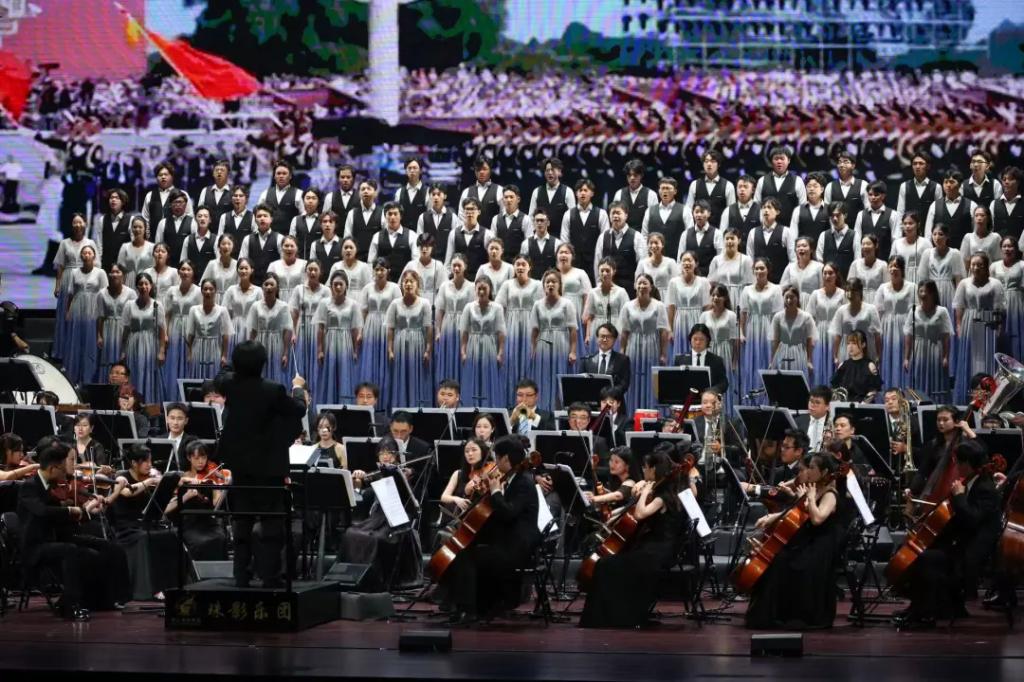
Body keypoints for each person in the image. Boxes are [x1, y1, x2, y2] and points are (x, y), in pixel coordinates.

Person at [215, 340, 307, 587]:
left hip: (240, 466)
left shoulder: (229, 384)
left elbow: (220, 375)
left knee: (242, 522)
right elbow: (298, 410)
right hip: (269, 467)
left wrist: (235, 366)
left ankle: (241, 575)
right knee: (271, 524)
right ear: (263, 363)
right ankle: (270, 576)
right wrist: (298, 388)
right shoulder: (273, 389)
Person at [18, 440, 131, 620]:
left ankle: (106, 599)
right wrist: (70, 510)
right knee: (72, 551)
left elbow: (61, 517)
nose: (65, 474)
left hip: (56, 537)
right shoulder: (30, 486)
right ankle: (71, 606)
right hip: (35, 546)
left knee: (107, 547)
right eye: (63, 469)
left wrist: (83, 512)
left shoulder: (50, 485)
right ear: (53, 468)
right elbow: (41, 511)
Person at [894, 440, 1001, 628]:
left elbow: (972, 520)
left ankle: (925, 613)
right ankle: (921, 607)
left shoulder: (985, 488)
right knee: (919, 551)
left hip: (971, 554)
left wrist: (959, 496)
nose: (956, 467)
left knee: (924, 558)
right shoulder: (972, 482)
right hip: (961, 544)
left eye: (958, 462)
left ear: (967, 463)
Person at [439, 435, 540, 624]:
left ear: (505, 459)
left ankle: (469, 609)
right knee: (464, 550)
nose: (495, 463)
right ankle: (460, 605)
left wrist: (495, 492)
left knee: (466, 556)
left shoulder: (523, 482)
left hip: (518, 544)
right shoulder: (511, 478)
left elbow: (509, 513)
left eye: (497, 458)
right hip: (506, 537)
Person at [580, 449, 684, 628]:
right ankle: (611, 615)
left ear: (654, 469)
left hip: (657, 553)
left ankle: (612, 617)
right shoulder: (660, 491)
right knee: (607, 564)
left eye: (646, 468)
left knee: (605, 566)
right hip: (650, 547)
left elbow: (640, 513)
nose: (643, 470)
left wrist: (645, 490)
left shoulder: (662, 497)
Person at [744, 453, 842, 630]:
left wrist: (809, 498)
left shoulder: (830, 493)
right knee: (778, 558)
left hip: (820, 546)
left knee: (785, 561)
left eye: (812, 468)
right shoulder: (812, 489)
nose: (808, 471)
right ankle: (771, 615)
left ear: (824, 472)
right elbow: (797, 514)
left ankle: (793, 614)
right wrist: (774, 516)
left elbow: (817, 519)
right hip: (807, 541)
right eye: (807, 467)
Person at [341, 437, 423, 590]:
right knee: (350, 533)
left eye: (389, 452)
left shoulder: (402, 473)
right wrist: (357, 478)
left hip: (395, 520)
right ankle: (353, 579)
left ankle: (374, 580)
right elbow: (360, 485)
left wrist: (401, 477)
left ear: (396, 455)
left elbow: (410, 500)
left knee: (375, 539)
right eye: (382, 453)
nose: (385, 456)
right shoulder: (377, 473)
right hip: (376, 519)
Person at [163, 440, 229, 561]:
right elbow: (166, 509)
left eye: (204, 457)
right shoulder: (181, 478)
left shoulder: (210, 479)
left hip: (209, 522)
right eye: (196, 458)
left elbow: (216, 504)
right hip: (189, 523)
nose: (201, 461)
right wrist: (186, 496)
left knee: (220, 538)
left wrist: (220, 485)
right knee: (200, 543)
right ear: (189, 458)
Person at [953, 254, 1005, 403]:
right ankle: (968, 399)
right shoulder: (964, 283)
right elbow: (959, 307)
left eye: (980, 265)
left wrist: (998, 329)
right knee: (970, 360)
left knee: (986, 361)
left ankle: (987, 399)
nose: (976, 268)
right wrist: (959, 326)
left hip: (988, 325)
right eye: (973, 265)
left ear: (986, 267)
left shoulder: (995, 284)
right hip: (969, 323)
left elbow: (1000, 309)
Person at [618, 274, 670, 413]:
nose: (642, 286)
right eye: (639, 283)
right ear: (635, 286)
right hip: (633, 346)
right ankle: (632, 414)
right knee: (633, 379)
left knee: (651, 381)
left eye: (645, 283)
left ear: (651, 286)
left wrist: (663, 354)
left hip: (652, 346)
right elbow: (624, 332)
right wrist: (622, 351)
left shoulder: (659, 306)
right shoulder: (627, 306)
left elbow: (663, 332)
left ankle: (652, 414)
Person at [530, 269, 579, 412]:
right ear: (543, 285)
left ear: (559, 285)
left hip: (561, 344)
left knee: (559, 379)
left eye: (554, 282)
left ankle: (559, 412)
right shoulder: (537, 305)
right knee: (543, 378)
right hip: (543, 345)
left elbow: (573, 330)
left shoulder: (567, 304)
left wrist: (573, 351)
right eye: (547, 282)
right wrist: (533, 349)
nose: (550, 284)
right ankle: (543, 411)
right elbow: (534, 330)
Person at [52, 213, 99, 364]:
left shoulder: (90, 242)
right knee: (66, 316)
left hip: (86, 280)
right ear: (71, 225)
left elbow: (97, 265)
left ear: (85, 224)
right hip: (68, 279)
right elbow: (60, 266)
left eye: (80, 222)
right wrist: (57, 285)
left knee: (83, 317)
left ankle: (82, 351)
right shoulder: (64, 243)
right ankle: (63, 352)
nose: (78, 225)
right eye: (75, 222)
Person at [497, 255, 543, 403]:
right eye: (517, 264)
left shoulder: (537, 285)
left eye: (524, 264)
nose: (520, 267)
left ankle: (530, 402)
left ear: (530, 267)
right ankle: (511, 403)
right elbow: (498, 308)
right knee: (511, 363)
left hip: (531, 327)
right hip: (511, 328)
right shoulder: (507, 285)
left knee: (529, 361)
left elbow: (542, 308)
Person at [314, 271, 363, 406]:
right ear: (331, 286)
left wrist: (355, 350)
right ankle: (328, 406)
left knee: (344, 375)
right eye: (335, 284)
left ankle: (344, 407)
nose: (338, 287)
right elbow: (321, 328)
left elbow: (355, 329)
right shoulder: (324, 303)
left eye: (341, 284)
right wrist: (320, 350)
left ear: (346, 286)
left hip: (346, 342)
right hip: (330, 342)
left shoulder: (353, 304)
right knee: (329, 373)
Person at [387, 271, 434, 409]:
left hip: (417, 343)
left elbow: (428, 328)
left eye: (411, 281)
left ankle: (416, 408)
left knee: (416, 374)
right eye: (405, 281)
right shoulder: (395, 304)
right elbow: (390, 328)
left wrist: (428, 349)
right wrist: (390, 350)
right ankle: (400, 407)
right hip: (400, 343)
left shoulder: (425, 303)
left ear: (417, 284)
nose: (408, 284)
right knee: (400, 375)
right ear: (402, 284)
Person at [740, 259, 783, 402]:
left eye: (762, 268)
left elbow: (778, 315)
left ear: (768, 270)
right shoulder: (746, 290)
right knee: (751, 364)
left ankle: (768, 401)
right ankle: (751, 401)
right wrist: (741, 332)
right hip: (752, 330)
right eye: (756, 268)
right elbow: (743, 313)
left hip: (768, 328)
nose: (759, 271)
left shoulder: (776, 289)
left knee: (767, 361)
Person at [359, 259, 401, 408]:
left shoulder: (395, 288)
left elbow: (398, 311)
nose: (379, 272)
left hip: (387, 326)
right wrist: (360, 331)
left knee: (386, 365)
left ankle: (385, 403)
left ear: (388, 271)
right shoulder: (367, 288)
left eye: (382, 269)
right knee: (370, 362)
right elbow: (363, 312)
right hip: (371, 326)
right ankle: (369, 402)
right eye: (376, 269)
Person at [63, 244, 107, 384]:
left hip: (93, 309)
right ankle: (74, 377)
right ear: (81, 256)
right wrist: (68, 311)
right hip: (77, 309)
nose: (87, 255)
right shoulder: (74, 272)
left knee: (90, 342)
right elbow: (70, 293)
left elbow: (104, 295)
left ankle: (89, 377)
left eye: (89, 253)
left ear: (94, 256)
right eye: (84, 253)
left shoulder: (100, 273)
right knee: (76, 342)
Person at [120, 272, 167, 403]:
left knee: (148, 373)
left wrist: (162, 351)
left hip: (150, 344)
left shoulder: (157, 305)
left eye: (146, 284)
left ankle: (149, 404)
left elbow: (162, 330)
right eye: (141, 284)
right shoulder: (129, 305)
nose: (144, 287)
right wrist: (123, 351)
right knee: (134, 372)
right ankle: (132, 404)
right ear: (136, 286)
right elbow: (126, 330)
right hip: (133, 343)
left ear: (151, 286)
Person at [459, 278, 506, 409]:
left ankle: (488, 408)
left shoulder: (497, 308)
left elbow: (501, 332)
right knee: (472, 378)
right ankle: (471, 408)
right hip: (472, 346)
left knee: (488, 378)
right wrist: (463, 352)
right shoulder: (469, 307)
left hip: (489, 346)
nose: (481, 291)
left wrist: (500, 353)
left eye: (484, 288)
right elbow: (464, 331)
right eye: (479, 288)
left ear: (490, 289)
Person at [903, 280, 953, 403]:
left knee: (935, 380)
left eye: (926, 291)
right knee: (918, 379)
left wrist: (946, 357)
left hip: (935, 350)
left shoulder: (942, 311)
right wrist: (906, 358)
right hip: (918, 351)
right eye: (921, 291)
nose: (923, 294)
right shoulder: (913, 311)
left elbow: (946, 336)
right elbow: (909, 336)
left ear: (933, 293)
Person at [435, 254, 475, 394]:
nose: (456, 268)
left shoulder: (471, 286)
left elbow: (473, 311)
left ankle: (463, 395)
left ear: (465, 267)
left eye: (459, 265)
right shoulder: (444, 286)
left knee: (463, 361)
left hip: (464, 327)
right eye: (454, 265)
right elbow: (440, 310)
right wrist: (438, 331)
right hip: (448, 326)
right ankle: (447, 395)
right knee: (448, 360)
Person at [875, 256, 916, 387]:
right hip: (886, 327)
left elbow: (914, 311)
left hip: (904, 325)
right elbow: (878, 312)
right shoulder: (882, 288)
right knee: (888, 357)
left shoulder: (911, 287)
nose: (893, 269)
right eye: (891, 266)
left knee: (902, 356)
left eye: (897, 266)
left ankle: (904, 390)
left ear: (902, 269)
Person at [247, 273, 294, 386]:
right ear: (262, 287)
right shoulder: (255, 306)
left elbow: (287, 330)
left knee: (276, 373)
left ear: (277, 288)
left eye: (272, 284)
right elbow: (253, 330)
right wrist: (250, 350)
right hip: (260, 343)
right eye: (266, 284)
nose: (269, 287)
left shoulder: (283, 306)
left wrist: (285, 353)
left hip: (277, 343)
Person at [162, 260, 201, 398]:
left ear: (193, 272)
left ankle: (187, 397)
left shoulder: (198, 291)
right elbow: (167, 314)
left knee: (188, 362)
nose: (185, 272)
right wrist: (165, 334)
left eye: (188, 269)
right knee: (173, 362)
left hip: (191, 330)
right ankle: (172, 396)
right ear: (178, 272)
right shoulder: (171, 290)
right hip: (174, 328)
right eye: (183, 269)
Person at [697, 285, 739, 412]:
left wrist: (734, 362)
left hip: (725, 351)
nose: (715, 298)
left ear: (725, 298)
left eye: (719, 295)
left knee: (722, 383)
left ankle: (725, 415)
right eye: (713, 295)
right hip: (708, 351)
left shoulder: (731, 315)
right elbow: (699, 336)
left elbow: (735, 340)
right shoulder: (704, 315)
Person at [594, 201, 644, 298]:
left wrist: (638, 287)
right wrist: (599, 284)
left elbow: (641, 264)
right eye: (613, 213)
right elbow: (597, 263)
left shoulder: (637, 237)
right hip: (608, 288)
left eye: (618, 213)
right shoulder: (603, 237)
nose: (615, 216)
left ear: (626, 215)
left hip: (630, 289)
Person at [185, 279, 232, 380]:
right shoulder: (193, 310)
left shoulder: (222, 311)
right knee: (197, 377)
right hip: (198, 348)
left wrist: (224, 355)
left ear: (215, 291)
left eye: (211, 289)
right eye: (205, 289)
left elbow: (225, 335)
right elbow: (190, 334)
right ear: (201, 291)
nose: (208, 292)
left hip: (214, 348)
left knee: (213, 377)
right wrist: (189, 353)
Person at [917, 224, 965, 318]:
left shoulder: (954, 253)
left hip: (949, 292)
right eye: (934, 234)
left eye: (940, 234)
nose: (937, 237)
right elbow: (922, 279)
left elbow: (958, 280)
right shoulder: (927, 253)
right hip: (931, 291)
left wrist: (959, 301)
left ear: (947, 236)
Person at [770, 285, 817, 380]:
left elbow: (810, 340)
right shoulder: (778, 317)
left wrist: (809, 361)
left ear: (797, 298)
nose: (789, 300)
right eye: (786, 297)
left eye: (792, 297)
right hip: (782, 352)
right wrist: (772, 361)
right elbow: (775, 340)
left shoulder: (806, 317)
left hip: (799, 352)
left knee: (798, 382)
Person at [754, 146, 806, 227]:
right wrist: (763, 223)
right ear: (771, 161)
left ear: (788, 160)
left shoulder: (798, 181)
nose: (779, 161)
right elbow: (756, 205)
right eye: (776, 159)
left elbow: (802, 207)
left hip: (790, 228)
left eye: (782, 158)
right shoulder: (762, 180)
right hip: (766, 227)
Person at [991, 236, 1024, 361]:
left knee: (1016, 335)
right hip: (998, 303)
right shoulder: (994, 266)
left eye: (1010, 246)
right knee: (999, 335)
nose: (1007, 249)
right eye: (1004, 246)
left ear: (1015, 249)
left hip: (1016, 304)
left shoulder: (1022, 265)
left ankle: (1017, 367)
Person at [580, 323, 632, 398]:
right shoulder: (587, 360)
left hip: (614, 401)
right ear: (597, 338)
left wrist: (608, 395)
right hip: (591, 401)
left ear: (614, 339)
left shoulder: (623, 360)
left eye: (608, 337)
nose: (605, 340)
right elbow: (581, 384)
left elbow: (624, 385)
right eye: (602, 336)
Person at [831, 330, 882, 403]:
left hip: (863, 406)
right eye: (848, 343)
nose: (850, 347)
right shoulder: (843, 365)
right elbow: (835, 387)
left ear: (863, 344)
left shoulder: (870, 366)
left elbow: (873, 390)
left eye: (854, 343)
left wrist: (862, 404)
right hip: (844, 405)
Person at [708, 227, 754, 307]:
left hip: (739, 298)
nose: (729, 241)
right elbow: (711, 284)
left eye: (732, 238)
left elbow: (751, 285)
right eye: (727, 239)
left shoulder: (746, 260)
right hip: (721, 299)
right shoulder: (716, 260)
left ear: (739, 241)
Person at [221, 258, 261, 351]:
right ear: (237, 270)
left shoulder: (258, 291)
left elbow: (262, 312)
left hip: (252, 328)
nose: (243, 271)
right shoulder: (231, 290)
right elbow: (223, 311)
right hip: (235, 328)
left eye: (246, 268)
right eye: (241, 268)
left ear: (252, 270)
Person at [238, 204, 283, 285]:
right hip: (252, 285)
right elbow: (242, 263)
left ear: (271, 219)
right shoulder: (247, 239)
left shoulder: (279, 238)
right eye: (259, 216)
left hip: (273, 285)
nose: (262, 218)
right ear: (255, 220)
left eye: (265, 216)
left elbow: (283, 265)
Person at [91, 188, 132, 273]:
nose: (113, 200)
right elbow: (99, 245)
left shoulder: (131, 219)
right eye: (111, 198)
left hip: (124, 267)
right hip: (106, 266)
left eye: (117, 198)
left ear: (123, 202)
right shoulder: (102, 220)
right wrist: (98, 267)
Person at [258, 160, 303, 236]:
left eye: (284, 173)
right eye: (278, 173)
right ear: (274, 176)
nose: (281, 176)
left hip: (290, 238)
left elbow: (304, 218)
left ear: (290, 176)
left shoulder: (299, 194)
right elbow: (258, 215)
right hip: (269, 238)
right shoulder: (264, 194)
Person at [611, 158, 658, 230]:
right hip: (623, 235)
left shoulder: (651, 195)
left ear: (641, 175)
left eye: (635, 175)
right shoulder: (619, 194)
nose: (632, 178)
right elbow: (615, 218)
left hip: (643, 235)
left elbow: (654, 221)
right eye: (629, 175)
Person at [896, 152, 941, 223]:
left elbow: (939, 213)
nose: (917, 166)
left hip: (929, 228)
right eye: (914, 164)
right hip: (909, 228)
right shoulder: (904, 186)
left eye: (921, 163)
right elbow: (900, 212)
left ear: (928, 166)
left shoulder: (937, 187)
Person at [780, 236, 823, 306]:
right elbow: (782, 289)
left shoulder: (819, 267)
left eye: (804, 246)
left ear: (811, 249)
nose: (801, 248)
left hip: (813, 304)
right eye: (798, 246)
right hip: (793, 304)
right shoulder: (790, 267)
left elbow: (823, 289)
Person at [116, 216, 155, 291]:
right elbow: (120, 270)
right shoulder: (125, 247)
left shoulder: (152, 247)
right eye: (135, 227)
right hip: (128, 284)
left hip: (145, 285)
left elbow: (154, 269)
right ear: (131, 229)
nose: (137, 229)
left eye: (140, 227)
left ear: (145, 229)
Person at [200, 233, 239, 304]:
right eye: (223, 244)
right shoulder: (212, 264)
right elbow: (203, 284)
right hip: (214, 300)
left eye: (229, 244)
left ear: (233, 247)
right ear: (218, 246)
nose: (226, 246)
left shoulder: (237, 265)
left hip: (231, 300)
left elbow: (239, 287)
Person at [218, 185, 254, 259]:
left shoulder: (253, 217)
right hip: (228, 258)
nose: (238, 198)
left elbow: (254, 242)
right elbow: (219, 240)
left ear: (246, 199)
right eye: (235, 196)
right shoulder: (224, 217)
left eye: (241, 196)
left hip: (246, 259)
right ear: (231, 199)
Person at [288, 187, 322, 261]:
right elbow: (291, 242)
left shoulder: (323, 220)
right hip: (299, 261)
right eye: (308, 198)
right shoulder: (296, 220)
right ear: (303, 200)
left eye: (314, 198)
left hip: (318, 262)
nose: (310, 201)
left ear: (319, 201)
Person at [308, 210, 341, 284]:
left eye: (331, 221)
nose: (327, 224)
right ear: (320, 224)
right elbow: (312, 266)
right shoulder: (314, 244)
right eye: (325, 221)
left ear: (335, 225)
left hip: (337, 284)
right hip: (319, 284)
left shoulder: (342, 244)